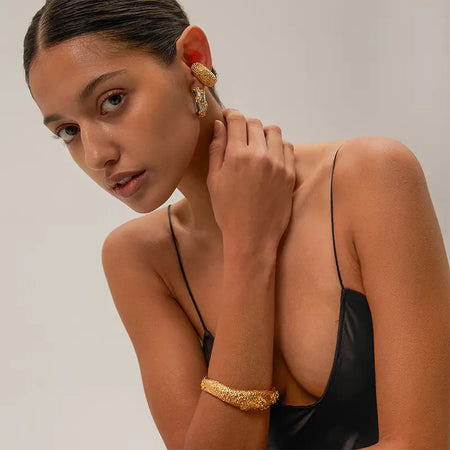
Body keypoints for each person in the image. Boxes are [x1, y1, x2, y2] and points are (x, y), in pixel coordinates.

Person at [23, 1, 449, 449]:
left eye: (112, 100)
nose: (96, 154)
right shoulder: (140, 260)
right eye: (68, 130)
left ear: (193, 59)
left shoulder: (371, 179)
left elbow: (420, 443)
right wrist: (250, 245)